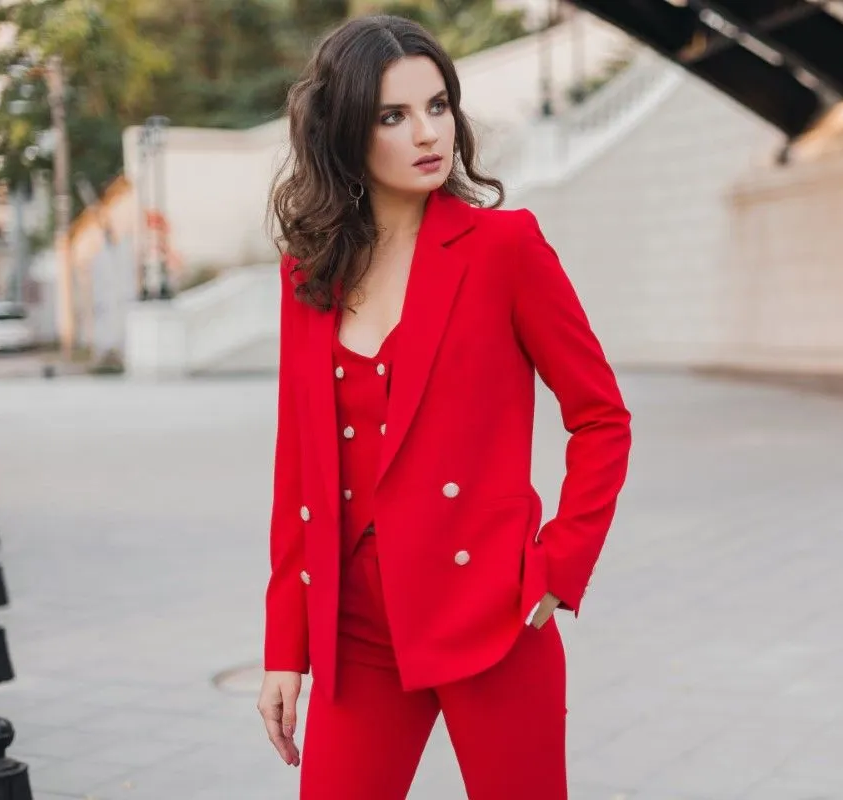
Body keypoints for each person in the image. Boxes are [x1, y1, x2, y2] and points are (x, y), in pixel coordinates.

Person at [256, 14, 632, 800]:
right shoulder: (309, 279)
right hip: (356, 628)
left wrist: (559, 567)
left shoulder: (505, 250)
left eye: (438, 105)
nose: (429, 132)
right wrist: (284, 647)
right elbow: (300, 474)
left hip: (490, 616)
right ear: (345, 133)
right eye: (393, 116)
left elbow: (601, 417)